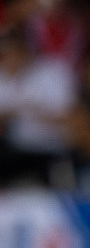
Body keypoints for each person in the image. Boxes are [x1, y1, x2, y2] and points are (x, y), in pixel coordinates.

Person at [0, 24, 75, 186]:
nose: (8, 58)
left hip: (53, 147)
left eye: (12, 51)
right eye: (3, 54)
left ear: (25, 49)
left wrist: (31, 112)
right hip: (16, 149)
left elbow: (71, 116)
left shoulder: (53, 70)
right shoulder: (3, 77)